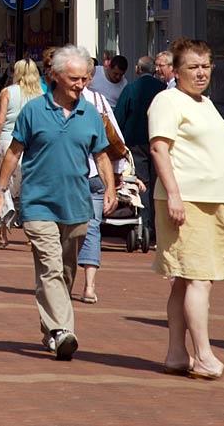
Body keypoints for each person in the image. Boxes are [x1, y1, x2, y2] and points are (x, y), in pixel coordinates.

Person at [0, 46, 116, 361]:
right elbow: (14, 151)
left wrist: (111, 188)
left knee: (66, 270)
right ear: (56, 76)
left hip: (77, 205)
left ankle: (50, 330)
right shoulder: (34, 110)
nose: (81, 84)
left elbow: (101, 155)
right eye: (74, 78)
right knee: (50, 266)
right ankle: (63, 331)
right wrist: (1, 190)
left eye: (85, 78)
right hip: (38, 204)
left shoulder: (90, 113)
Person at [148, 38, 224, 380]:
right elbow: (159, 148)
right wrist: (173, 194)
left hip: (214, 199)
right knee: (199, 279)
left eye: (206, 66)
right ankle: (203, 355)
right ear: (176, 70)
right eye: (192, 67)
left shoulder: (205, 103)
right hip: (189, 200)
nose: (201, 73)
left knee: (186, 281)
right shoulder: (168, 100)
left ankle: (176, 353)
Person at [77, 82, 128, 305]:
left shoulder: (55, 102)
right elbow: (117, 140)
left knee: (74, 229)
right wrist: (115, 177)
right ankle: (89, 285)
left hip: (80, 176)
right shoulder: (98, 101)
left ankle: (79, 283)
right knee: (92, 228)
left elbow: (112, 140)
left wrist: (112, 182)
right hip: (96, 174)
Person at [0, 58, 43, 247]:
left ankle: (3, 234)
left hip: (8, 141)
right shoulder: (41, 94)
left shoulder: (8, 92)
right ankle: (31, 234)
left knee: (4, 187)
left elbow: (0, 120)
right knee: (29, 188)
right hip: (32, 143)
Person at [115, 55, 165, 238]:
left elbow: (119, 118)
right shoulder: (163, 89)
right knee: (158, 182)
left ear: (137, 69)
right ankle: (157, 225)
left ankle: (144, 225)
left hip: (136, 142)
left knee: (142, 184)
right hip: (158, 140)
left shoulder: (131, 89)